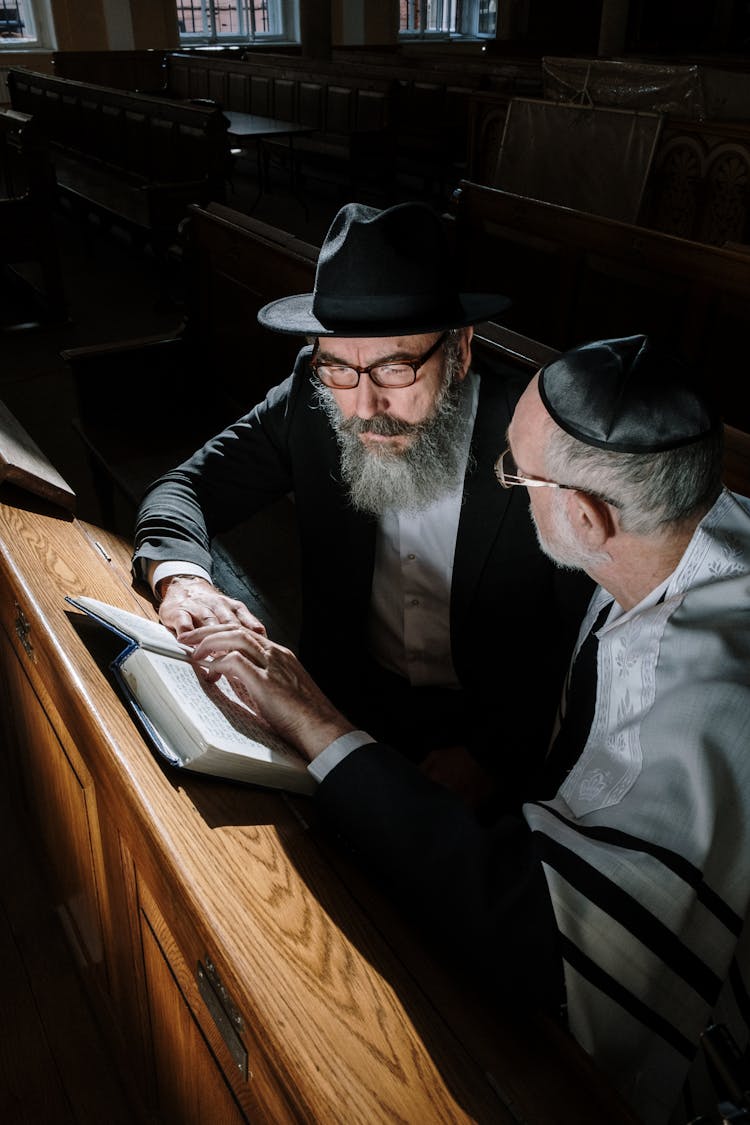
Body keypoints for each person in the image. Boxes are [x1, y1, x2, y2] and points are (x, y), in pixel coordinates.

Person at [175, 334, 750, 1125]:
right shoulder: (693, 531)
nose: (502, 487)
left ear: (585, 515)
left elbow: (542, 946)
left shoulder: (707, 697)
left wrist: (313, 719)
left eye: (514, 472)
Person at [133, 199, 592, 804]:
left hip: (494, 742)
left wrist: (495, 755)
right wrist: (185, 581)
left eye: (396, 368)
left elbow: (584, 641)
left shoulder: (539, 439)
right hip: (337, 708)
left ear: (460, 350)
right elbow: (187, 486)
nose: (366, 407)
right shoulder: (310, 393)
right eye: (339, 369)